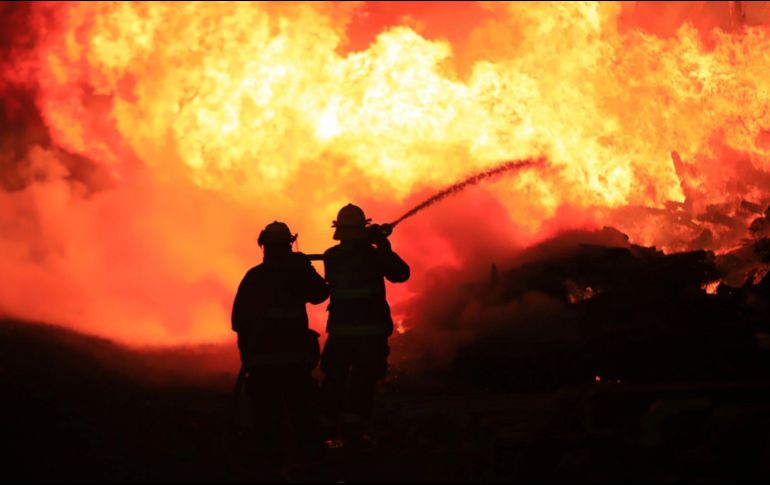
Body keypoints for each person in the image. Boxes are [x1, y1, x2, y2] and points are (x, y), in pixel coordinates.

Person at [231, 221, 329, 467]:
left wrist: (248, 357)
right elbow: (320, 294)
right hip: (295, 361)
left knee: (268, 419)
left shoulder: (253, 277)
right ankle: (310, 465)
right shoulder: (296, 272)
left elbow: (238, 321)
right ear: (288, 245)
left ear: (264, 246)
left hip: (262, 363)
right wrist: (305, 267)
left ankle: (271, 465)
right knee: (303, 416)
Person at [320, 204, 410, 446]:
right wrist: (383, 246)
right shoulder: (373, 255)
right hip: (371, 334)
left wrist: (376, 246)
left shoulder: (331, 255)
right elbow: (401, 274)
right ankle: (354, 435)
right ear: (362, 229)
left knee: (334, 380)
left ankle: (325, 431)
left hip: (340, 333)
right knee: (363, 382)